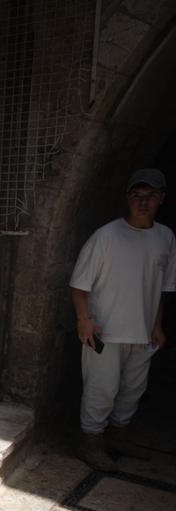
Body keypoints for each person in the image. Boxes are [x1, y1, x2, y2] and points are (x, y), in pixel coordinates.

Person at [70, 168, 175, 470]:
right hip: (104, 330)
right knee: (101, 389)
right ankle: (90, 442)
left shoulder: (165, 238)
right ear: (127, 199)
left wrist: (156, 325)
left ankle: (118, 436)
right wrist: (84, 320)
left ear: (161, 199)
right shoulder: (106, 236)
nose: (143, 202)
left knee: (133, 389)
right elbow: (80, 284)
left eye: (150, 196)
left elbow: (162, 288)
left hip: (143, 331)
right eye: (137, 196)